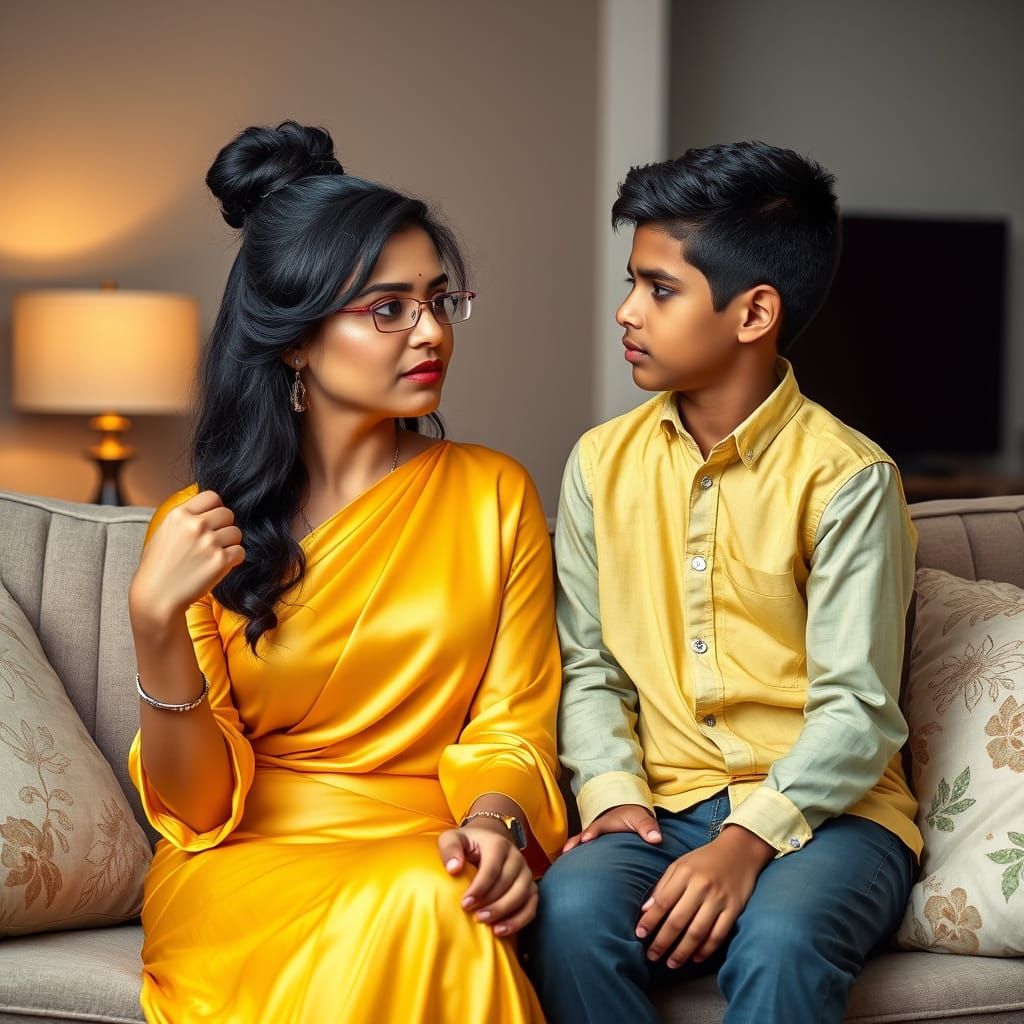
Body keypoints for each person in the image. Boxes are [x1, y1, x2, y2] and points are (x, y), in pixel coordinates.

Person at [127, 120, 566, 1024]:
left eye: (440, 300)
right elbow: (200, 808)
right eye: (387, 308)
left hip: (433, 841)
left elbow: (513, 728)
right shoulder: (195, 528)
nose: (431, 331)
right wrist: (153, 626)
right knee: (427, 908)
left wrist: (494, 827)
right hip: (246, 864)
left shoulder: (496, 493)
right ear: (294, 341)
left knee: (438, 898)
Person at [523, 141, 921, 1024]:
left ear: (753, 313)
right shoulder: (598, 464)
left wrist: (748, 840)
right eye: (633, 281)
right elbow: (589, 670)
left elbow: (859, 711)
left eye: (659, 290)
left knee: (780, 941)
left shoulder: (850, 479)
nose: (626, 311)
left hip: (834, 818)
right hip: (660, 808)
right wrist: (614, 796)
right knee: (571, 914)